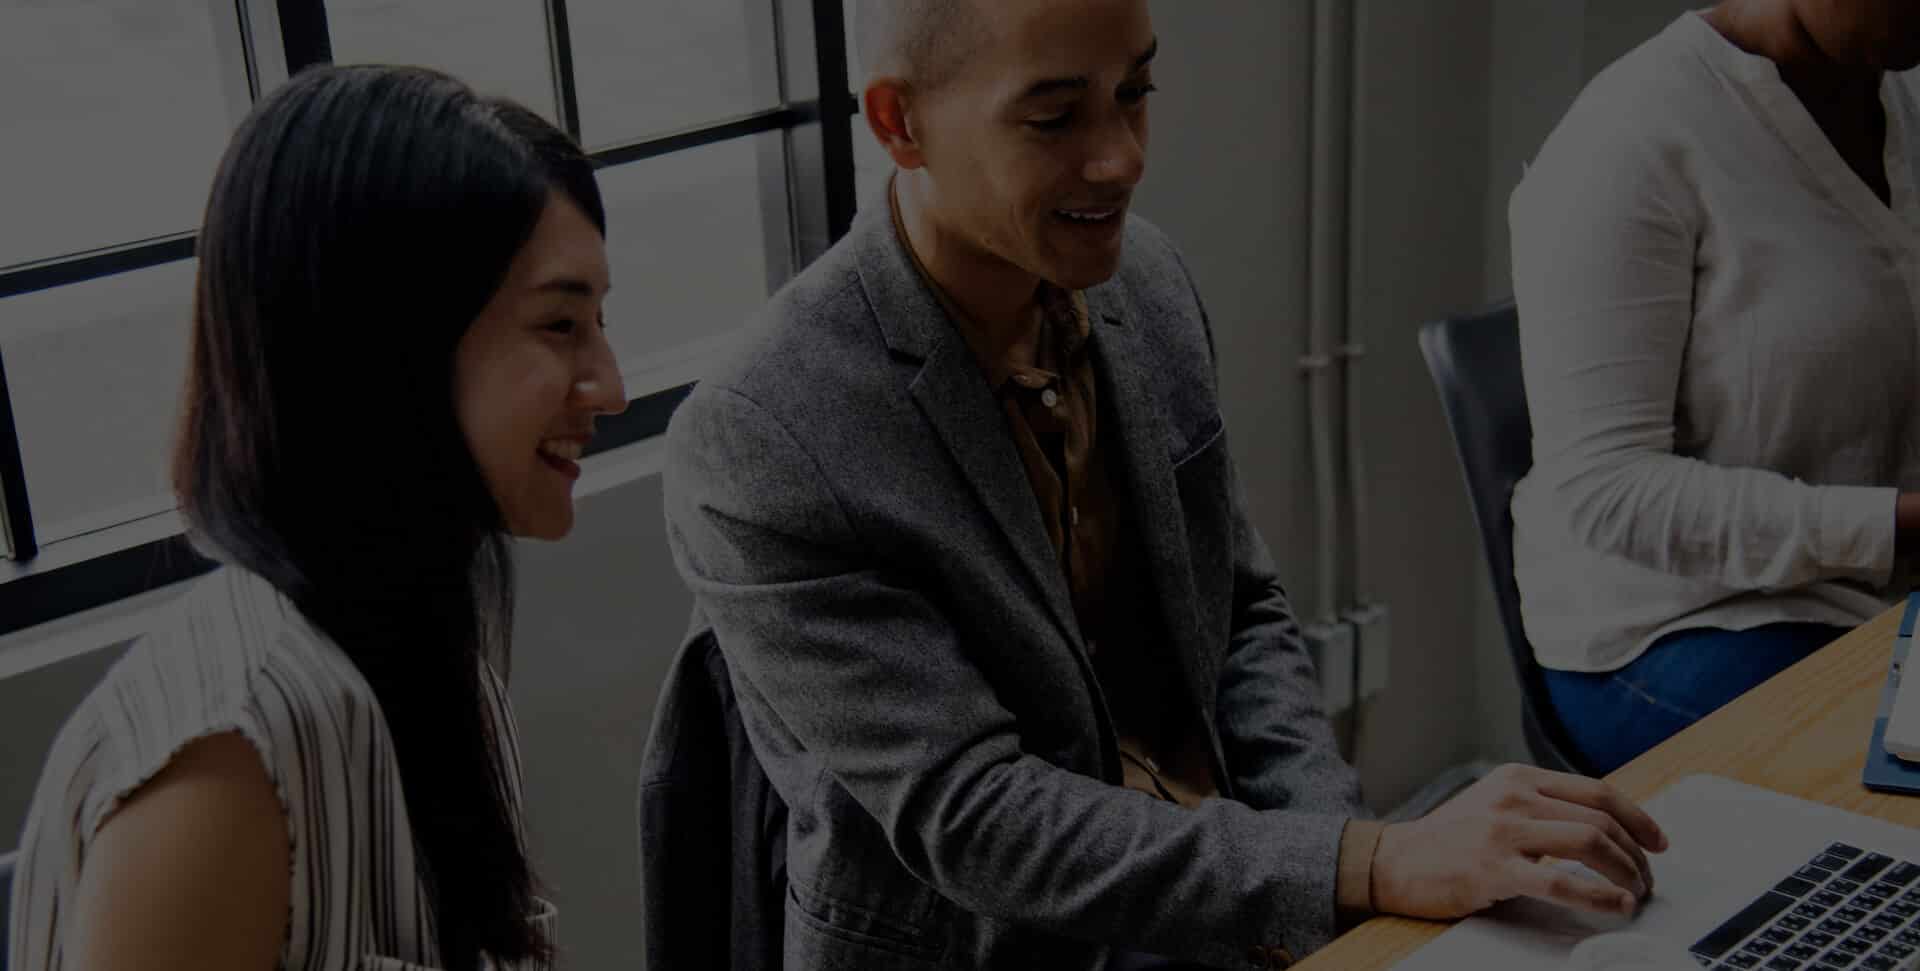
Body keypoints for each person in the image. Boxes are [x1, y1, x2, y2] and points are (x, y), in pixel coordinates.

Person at [660, 1, 1667, 967]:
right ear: (900, 121)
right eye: (1055, 116)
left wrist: (1334, 878)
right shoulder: (763, 434)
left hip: (1228, 896)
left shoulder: (1145, 283)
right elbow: (974, 813)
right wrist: (1373, 860)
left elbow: (1241, 610)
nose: (1122, 157)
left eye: (1135, 91)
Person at [7, 65, 625, 971]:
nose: (610, 383)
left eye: (600, 322)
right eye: (560, 326)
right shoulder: (228, 751)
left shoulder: (430, 652)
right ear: (389, 348)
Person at [1509, 0, 1920, 775]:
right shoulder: (1629, 140)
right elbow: (1606, 490)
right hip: (1683, 621)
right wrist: (1895, 525)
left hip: (1874, 591)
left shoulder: (1900, 97)